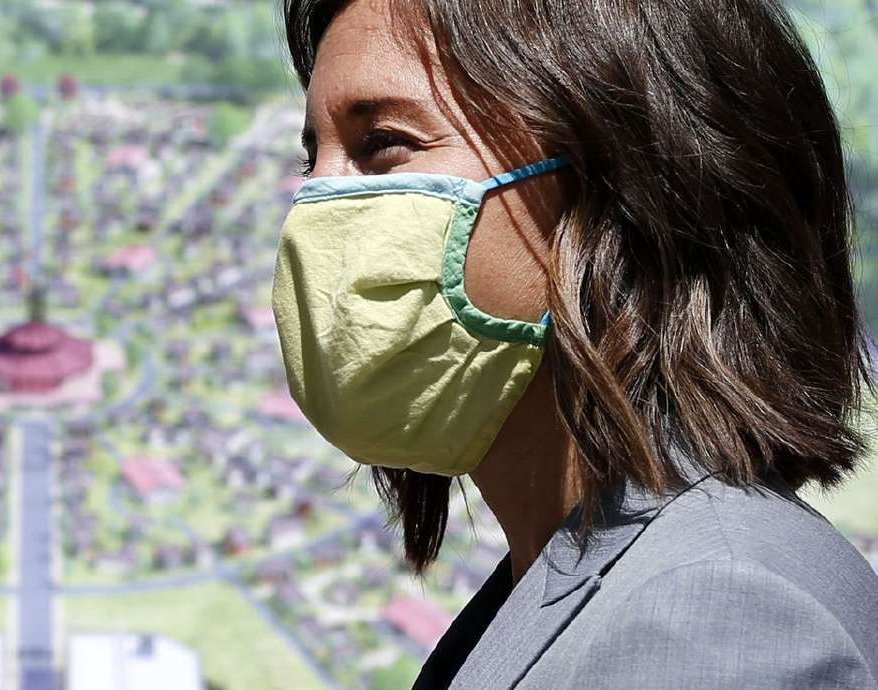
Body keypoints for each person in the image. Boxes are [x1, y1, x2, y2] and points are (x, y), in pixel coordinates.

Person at [270, 0, 878, 687]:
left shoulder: (713, 612)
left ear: (625, 181)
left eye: (382, 143)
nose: (315, 202)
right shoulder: (574, 572)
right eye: (310, 156)